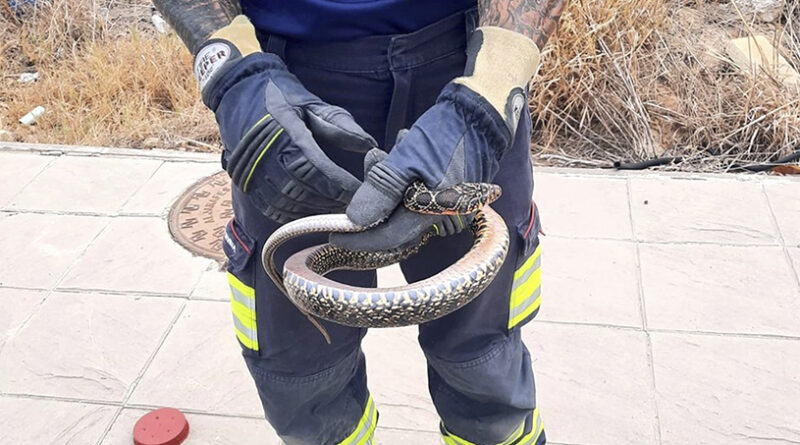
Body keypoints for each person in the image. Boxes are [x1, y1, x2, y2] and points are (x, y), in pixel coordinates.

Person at [152, 1, 566, 444]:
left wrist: (487, 103)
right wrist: (232, 73)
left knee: (484, 360)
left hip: (470, 73)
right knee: (301, 378)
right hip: (285, 91)